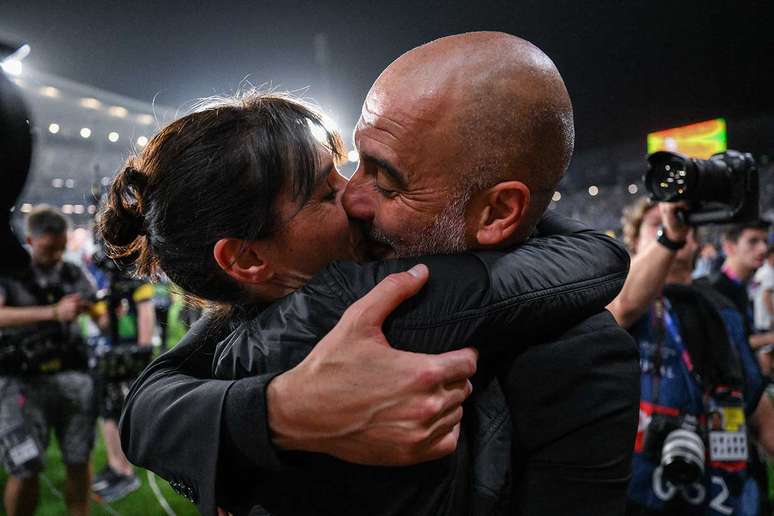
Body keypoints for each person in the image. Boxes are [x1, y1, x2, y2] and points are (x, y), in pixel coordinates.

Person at [112, 33, 639, 515]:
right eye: (354, 164)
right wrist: (284, 412)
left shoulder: (581, 359)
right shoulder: (285, 299)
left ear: (498, 213)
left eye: (388, 185)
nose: (355, 198)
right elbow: (150, 402)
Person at [607, 198, 774, 515]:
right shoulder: (615, 300)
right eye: (658, 224)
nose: (673, 227)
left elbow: (758, 411)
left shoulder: (722, 310)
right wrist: (669, 237)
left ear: (694, 242)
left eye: (682, 224)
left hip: (720, 497)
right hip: (639, 495)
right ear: (635, 243)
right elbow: (623, 307)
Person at [0, 206, 102, 516]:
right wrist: (53, 312)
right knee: (25, 466)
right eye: (49, 248)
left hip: (73, 375)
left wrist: (100, 312)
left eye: (61, 247)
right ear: (30, 239)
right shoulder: (10, 270)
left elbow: (97, 308)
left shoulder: (72, 271)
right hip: (21, 381)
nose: (56, 254)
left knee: (78, 459)